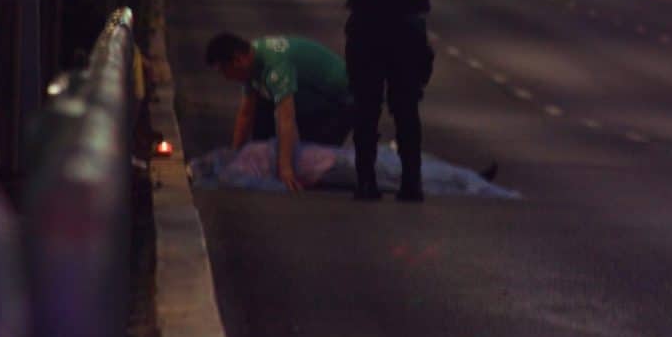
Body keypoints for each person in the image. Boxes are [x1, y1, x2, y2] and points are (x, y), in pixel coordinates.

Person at [315, 0, 463, 202]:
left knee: (366, 107)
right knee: (407, 108)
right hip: (408, 32)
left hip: (367, 30)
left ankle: (366, 183)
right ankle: (412, 184)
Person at [206, 33, 356, 192]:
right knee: (263, 106)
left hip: (343, 102)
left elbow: (286, 118)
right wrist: (235, 156)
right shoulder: (251, 60)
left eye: (224, 71)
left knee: (313, 161)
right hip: (311, 96)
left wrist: (286, 169)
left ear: (237, 60)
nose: (225, 78)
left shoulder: (275, 65)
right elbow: (246, 114)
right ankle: (267, 161)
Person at [187, 139, 515, 199]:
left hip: (333, 164)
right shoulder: (244, 156)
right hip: (335, 161)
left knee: (399, 172)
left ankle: (468, 180)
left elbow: (263, 186)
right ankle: (467, 179)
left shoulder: (236, 166)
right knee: (400, 167)